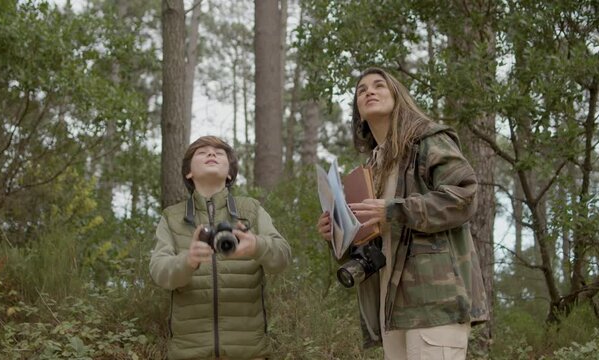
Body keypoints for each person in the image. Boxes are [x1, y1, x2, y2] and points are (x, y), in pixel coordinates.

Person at [317, 67, 488, 359]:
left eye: (379, 85)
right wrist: (338, 231)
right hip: (392, 307)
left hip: (435, 303)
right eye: (362, 90)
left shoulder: (427, 140)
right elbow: (376, 237)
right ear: (358, 111)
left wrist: (395, 210)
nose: (369, 91)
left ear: (398, 97)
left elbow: (465, 194)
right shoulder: (372, 167)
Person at [150, 135, 291, 360]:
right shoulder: (172, 217)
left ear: (229, 174)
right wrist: (188, 260)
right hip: (189, 353)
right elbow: (159, 272)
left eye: (219, 152)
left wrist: (257, 245)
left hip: (249, 352)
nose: (212, 154)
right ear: (188, 172)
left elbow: (282, 257)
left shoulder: (252, 210)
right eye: (202, 152)